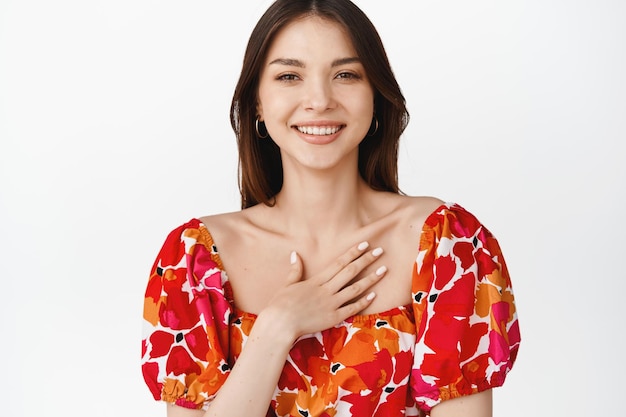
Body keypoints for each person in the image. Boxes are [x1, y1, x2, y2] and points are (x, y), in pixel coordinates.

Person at [141, 0, 521, 416]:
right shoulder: (192, 260)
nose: (319, 100)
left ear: (375, 95)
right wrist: (276, 328)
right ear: (257, 104)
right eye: (289, 76)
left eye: (345, 75)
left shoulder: (450, 245)